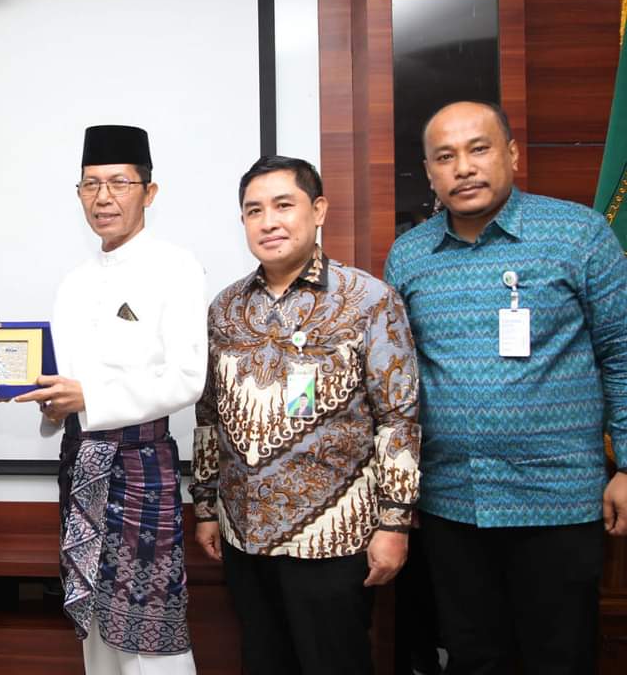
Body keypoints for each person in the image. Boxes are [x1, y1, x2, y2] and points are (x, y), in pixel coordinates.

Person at [385, 100, 627, 674]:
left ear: (512, 154)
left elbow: (621, 351)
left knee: (561, 659)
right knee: (473, 659)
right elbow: (396, 381)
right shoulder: (409, 256)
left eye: (479, 149)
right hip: (451, 503)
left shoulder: (578, 234)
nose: (463, 168)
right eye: (445, 157)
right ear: (429, 172)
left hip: (558, 500)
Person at [193, 155, 421, 675]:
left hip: (333, 539)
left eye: (283, 205)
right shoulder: (225, 309)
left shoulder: (368, 300)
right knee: (263, 662)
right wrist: (205, 507)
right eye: (254, 211)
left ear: (318, 210)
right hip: (245, 535)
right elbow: (209, 416)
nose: (268, 222)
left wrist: (395, 523)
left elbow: (399, 420)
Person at [16, 125, 206, 674]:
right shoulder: (72, 282)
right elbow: (65, 383)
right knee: (95, 628)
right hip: (81, 464)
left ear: (149, 192)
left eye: (119, 183)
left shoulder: (176, 267)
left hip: (141, 467)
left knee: (150, 631)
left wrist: (88, 395)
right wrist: (48, 399)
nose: (103, 198)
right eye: (90, 184)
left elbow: (187, 378)